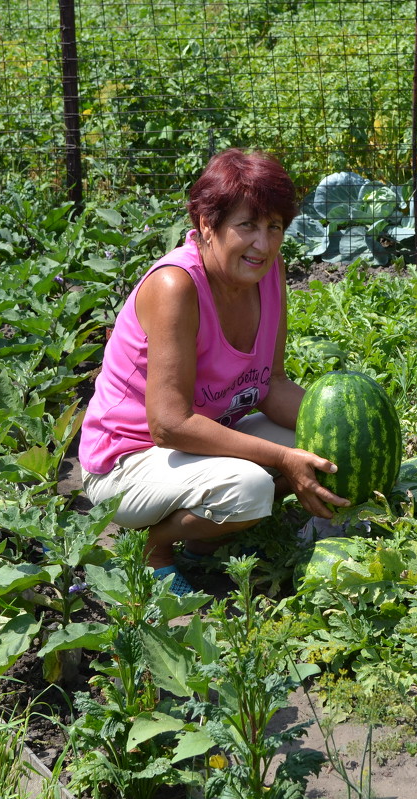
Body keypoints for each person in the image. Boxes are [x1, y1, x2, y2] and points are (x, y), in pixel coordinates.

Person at [76, 148, 350, 595]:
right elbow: (169, 425)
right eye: (247, 226)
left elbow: (271, 385)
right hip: (127, 462)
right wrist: (280, 459)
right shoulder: (175, 287)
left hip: (199, 446)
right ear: (208, 224)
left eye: (274, 227)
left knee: (324, 445)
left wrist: (345, 426)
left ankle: (202, 544)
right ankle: (152, 547)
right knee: (250, 488)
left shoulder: (267, 272)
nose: (262, 244)